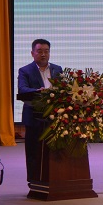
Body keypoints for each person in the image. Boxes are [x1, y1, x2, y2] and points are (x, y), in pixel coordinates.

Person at [17, 39, 63, 182]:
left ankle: (54, 178)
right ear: (32, 53)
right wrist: (38, 91)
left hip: (55, 117)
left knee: (55, 150)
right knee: (33, 151)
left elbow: (64, 88)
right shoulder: (25, 70)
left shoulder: (57, 69)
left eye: (46, 51)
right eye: (40, 51)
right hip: (34, 116)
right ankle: (34, 180)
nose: (43, 54)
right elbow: (22, 89)